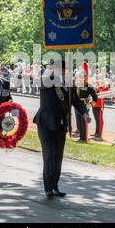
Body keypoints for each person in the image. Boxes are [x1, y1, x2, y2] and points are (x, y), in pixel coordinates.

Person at [33, 60, 88, 198]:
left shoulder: (68, 83)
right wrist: (53, 73)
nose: (64, 72)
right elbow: (44, 81)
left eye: (65, 70)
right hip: (46, 123)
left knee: (58, 157)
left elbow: (75, 100)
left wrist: (85, 113)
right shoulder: (47, 80)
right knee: (49, 155)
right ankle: (48, 187)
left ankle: (55, 185)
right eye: (61, 70)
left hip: (61, 124)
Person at [75, 62, 97, 142]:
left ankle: (84, 138)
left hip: (84, 105)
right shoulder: (78, 84)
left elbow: (95, 98)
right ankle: (81, 137)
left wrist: (90, 104)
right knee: (78, 122)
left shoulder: (89, 85)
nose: (80, 77)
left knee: (83, 122)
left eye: (82, 76)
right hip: (77, 104)